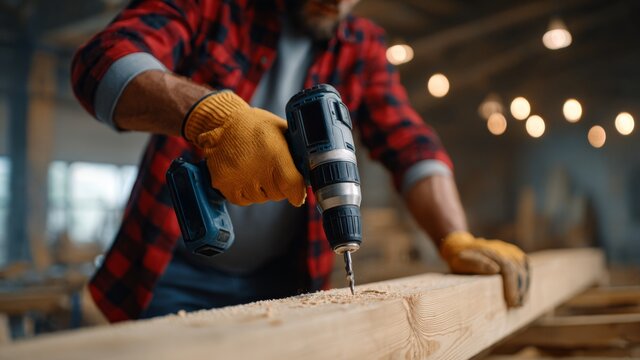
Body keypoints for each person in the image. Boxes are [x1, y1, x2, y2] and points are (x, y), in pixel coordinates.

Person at [71, 0, 530, 323]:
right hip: (167, 273)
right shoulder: (214, 5)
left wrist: (454, 236)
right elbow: (103, 61)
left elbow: (411, 144)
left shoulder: (361, 46)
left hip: (284, 282)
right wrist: (212, 116)